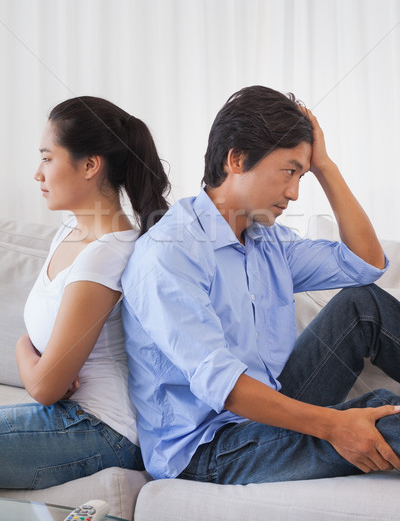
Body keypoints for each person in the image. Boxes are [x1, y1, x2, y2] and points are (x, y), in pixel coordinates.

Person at [122, 85, 400, 484]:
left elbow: (365, 265)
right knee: (383, 413)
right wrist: (336, 425)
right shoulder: (171, 250)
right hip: (209, 447)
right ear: (236, 159)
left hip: (271, 410)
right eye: (289, 172)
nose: (295, 193)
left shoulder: (267, 241)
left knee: (362, 305)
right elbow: (226, 388)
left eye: (302, 176)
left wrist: (325, 166)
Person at [0, 96, 169, 489]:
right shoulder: (71, 232)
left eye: (47, 158)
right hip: (69, 417)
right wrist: (42, 364)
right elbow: (47, 380)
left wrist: (23, 350)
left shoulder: (106, 255)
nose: (37, 174)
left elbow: (45, 388)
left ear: (91, 165)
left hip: (100, 430)